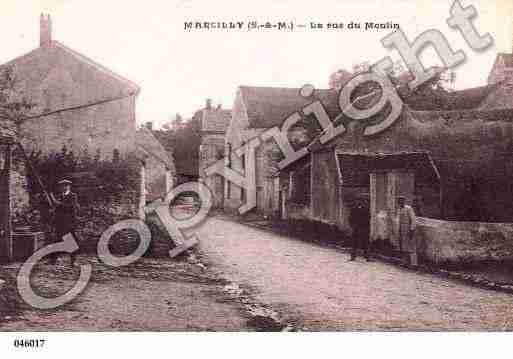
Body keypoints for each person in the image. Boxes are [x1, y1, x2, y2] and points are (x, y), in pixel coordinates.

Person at [48, 179, 81, 266]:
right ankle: (53, 260)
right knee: (56, 240)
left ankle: (73, 260)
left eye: (66, 185)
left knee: (71, 241)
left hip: (69, 222)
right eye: (62, 186)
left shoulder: (73, 196)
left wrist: (57, 203)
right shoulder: (59, 196)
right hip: (59, 222)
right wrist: (51, 200)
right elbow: (55, 209)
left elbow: (70, 207)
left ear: (69, 186)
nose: (64, 187)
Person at [395, 196, 417, 266]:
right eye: (398, 201)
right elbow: (398, 220)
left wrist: (412, 230)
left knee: (411, 246)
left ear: (404, 201)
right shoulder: (399, 209)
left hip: (408, 228)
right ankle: (404, 262)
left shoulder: (409, 208)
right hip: (401, 229)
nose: (399, 202)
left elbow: (413, 220)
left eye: (401, 201)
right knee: (403, 246)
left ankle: (414, 264)